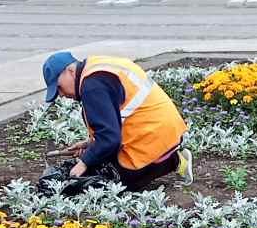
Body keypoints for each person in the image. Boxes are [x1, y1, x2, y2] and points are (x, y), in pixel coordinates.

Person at [37, 51, 193, 196]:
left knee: (110, 183)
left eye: (59, 88)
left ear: (70, 71)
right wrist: (90, 144)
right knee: (99, 162)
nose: (61, 95)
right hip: (163, 132)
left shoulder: (92, 87)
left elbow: (110, 138)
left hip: (153, 139)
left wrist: (84, 163)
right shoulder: (95, 69)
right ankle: (171, 157)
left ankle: (172, 161)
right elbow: (118, 120)